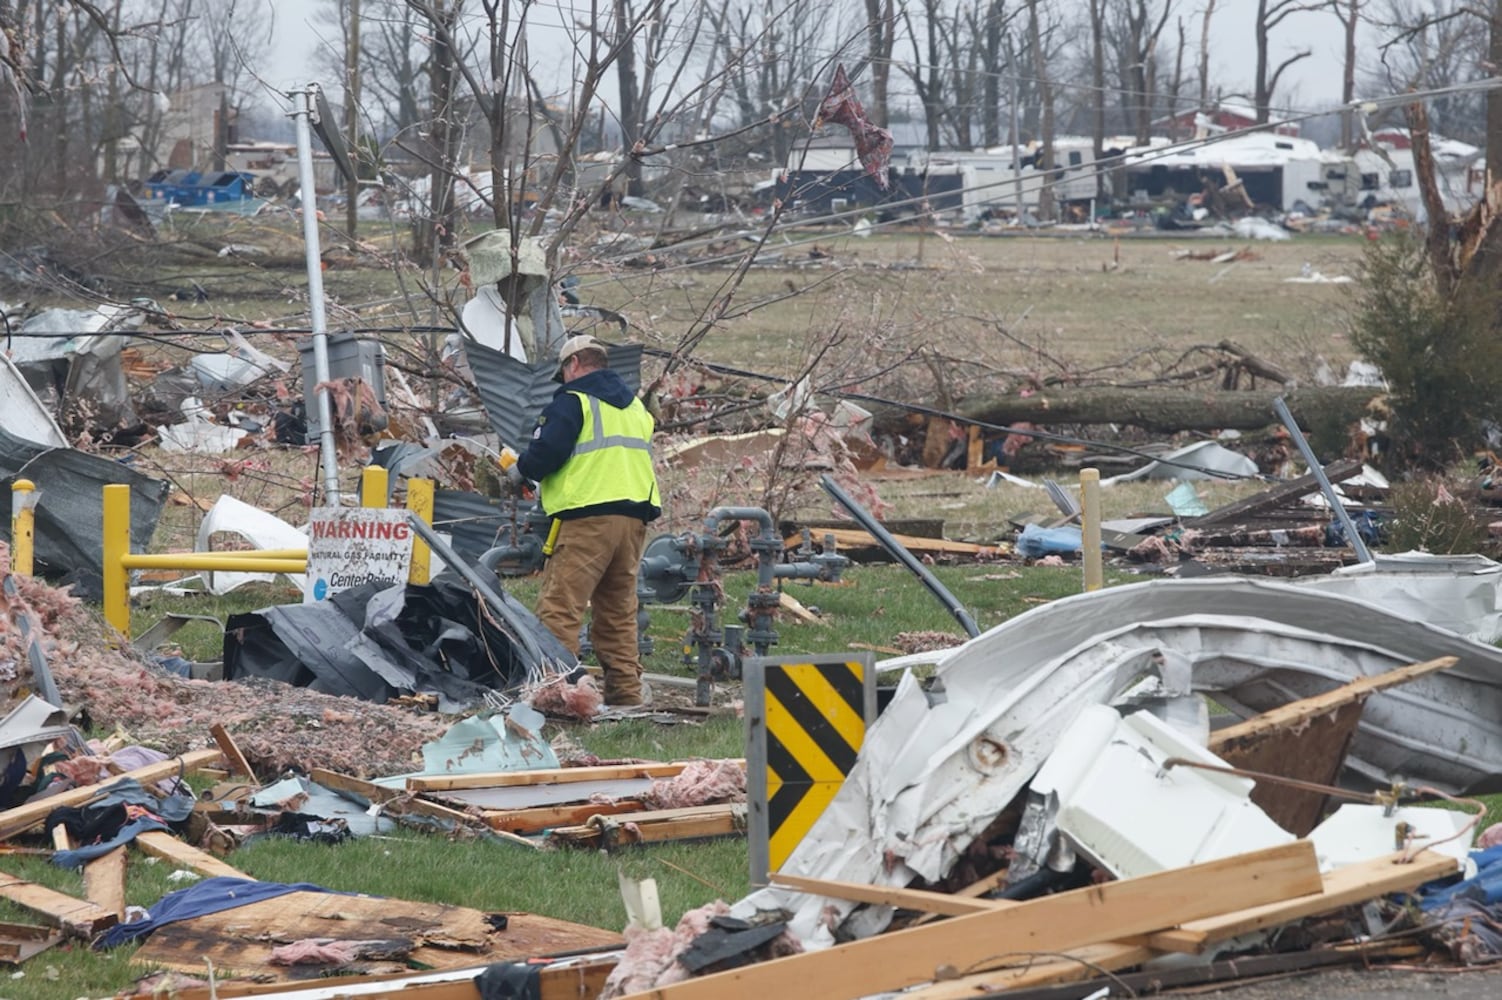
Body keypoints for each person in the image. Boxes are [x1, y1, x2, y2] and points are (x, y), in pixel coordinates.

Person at [509, 335, 661, 705]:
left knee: (560, 608)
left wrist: (520, 470)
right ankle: (626, 695)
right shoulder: (635, 409)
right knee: (619, 612)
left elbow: (547, 452)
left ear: (573, 364)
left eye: (563, 372)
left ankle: (557, 696)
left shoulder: (573, 401)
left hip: (589, 518)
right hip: (634, 520)